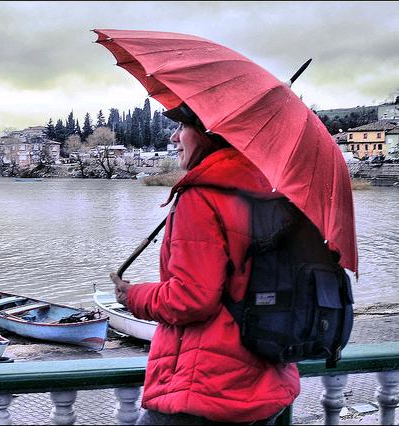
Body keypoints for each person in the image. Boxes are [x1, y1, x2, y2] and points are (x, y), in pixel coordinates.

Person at [110, 103, 300, 425]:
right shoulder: (277, 193)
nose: (173, 137)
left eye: (183, 127)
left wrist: (133, 297)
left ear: (209, 134)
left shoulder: (201, 197)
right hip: (268, 382)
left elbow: (192, 299)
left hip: (206, 389)